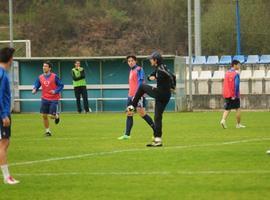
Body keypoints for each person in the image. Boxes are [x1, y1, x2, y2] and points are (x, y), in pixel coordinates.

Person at [130, 51, 175, 147]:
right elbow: (151, 76)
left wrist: (173, 86)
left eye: (151, 59)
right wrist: (151, 78)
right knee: (157, 117)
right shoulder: (160, 68)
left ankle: (132, 106)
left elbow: (171, 76)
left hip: (161, 93)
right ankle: (157, 140)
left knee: (142, 86)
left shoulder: (161, 69)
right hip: (165, 96)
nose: (150, 60)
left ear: (156, 60)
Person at [118, 55, 155, 140]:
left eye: (132, 61)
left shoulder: (139, 69)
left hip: (138, 96)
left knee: (142, 113)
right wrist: (130, 95)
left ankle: (156, 130)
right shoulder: (131, 71)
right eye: (129, 61)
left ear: (135, 61)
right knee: (129, 113)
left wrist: (137, 95)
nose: (130, 62)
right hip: (130, 96)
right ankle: (127, 135)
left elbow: (141, 82)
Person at [0, 47, 19, 184]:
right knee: (3, 143)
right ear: (10, 59)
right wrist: (4, 115)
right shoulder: (1, 74)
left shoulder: (3, 73)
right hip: (2, 114)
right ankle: (7, 177)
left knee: (5, 143)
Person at [32, 61, 64, 136]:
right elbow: (37, 84)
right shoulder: (40, 77)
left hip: (53, 98)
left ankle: (56, 116)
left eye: (46, 66)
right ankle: (48, 131)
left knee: (51, 116)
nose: (44, 67)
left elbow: (61, 85)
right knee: (44, 115)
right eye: (43, 66)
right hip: (44, 98)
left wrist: (55, 91)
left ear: (49, 68)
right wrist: (34, 89)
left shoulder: (54, 76)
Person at [220, 60, 246, 129]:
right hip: (234, 95)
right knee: (237, 109)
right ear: (234, 65)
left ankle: (223, 120)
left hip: (227, 94)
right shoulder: (236, 74)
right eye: (238, 65)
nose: (239, 66)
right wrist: (235, 94)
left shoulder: (227, 73)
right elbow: (236, 85)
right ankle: (238, 124)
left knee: (227, 108)